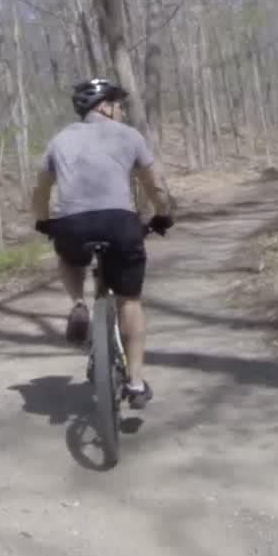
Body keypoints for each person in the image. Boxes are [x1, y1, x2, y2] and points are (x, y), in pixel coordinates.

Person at [31, 78, 175, 408]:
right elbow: (156, 186)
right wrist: (163, 214)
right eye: (118, 104)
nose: (122, 110)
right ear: (104, 106)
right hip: (119, 222)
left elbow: (39, 190)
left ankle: (78, 305)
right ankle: (136, 384)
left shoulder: (60, 140)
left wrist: (42, 220)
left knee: (69, 258)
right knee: (130, 302)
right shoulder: (129, 136)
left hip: (73, 223)